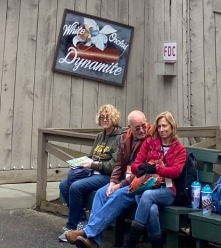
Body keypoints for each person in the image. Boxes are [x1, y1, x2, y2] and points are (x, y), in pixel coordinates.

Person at [68, 111, 150, 248]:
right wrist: (113, 182)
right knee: (101, 193)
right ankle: (94, 241)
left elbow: (142, 171)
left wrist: (120, 185)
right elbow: (118, 164)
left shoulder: (150, 139)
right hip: (123, 180)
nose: (142, 130)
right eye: (137, 128)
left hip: (139, 183)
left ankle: (88, 233)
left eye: (144, 125)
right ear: (129, 127)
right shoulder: (125, 138)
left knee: (117, 194)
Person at [120, 111, 187, 248]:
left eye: (164, 126)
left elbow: (175, 172)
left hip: (167, 190)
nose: (161, 130)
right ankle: (158, 245)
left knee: (147, 196)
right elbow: (134, 166)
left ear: (172, 127)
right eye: (159, 126)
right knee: (152, 210)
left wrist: (155, 168)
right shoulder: (150, 142)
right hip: (146, 185)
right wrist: (143, 167)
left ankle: (130, 242)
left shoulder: (180, 149)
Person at [58, 105, 123, 241]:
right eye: (102, 117)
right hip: (92, 173)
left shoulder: (120, 137)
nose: (104, 119)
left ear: (114, 118)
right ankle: (81, 220)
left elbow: (114, 165)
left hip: (108, 177)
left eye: (107, 116)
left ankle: (71, 226)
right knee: (64, 184)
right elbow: (91, 156)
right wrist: (81, 163)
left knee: (76, 187)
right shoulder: (100, 136)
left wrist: (93, 164)